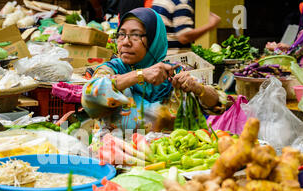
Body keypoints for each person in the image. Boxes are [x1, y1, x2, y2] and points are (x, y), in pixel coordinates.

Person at [82, 7, 227, 139]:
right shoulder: (111, 70)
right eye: (121, 34)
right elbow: (89, 97)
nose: (125, 42)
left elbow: (218, 104)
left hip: (167, 159)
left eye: (136, 35)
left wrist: (198, 88)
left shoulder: (174, 73)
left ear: (154, 40)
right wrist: (140, 75)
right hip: (117, 157)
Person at [149, 0, 221, 54]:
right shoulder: (182, 4)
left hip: (159, 57)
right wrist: (211, 25)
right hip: (173, 61)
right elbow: (184, 37)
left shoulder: (158, 1)